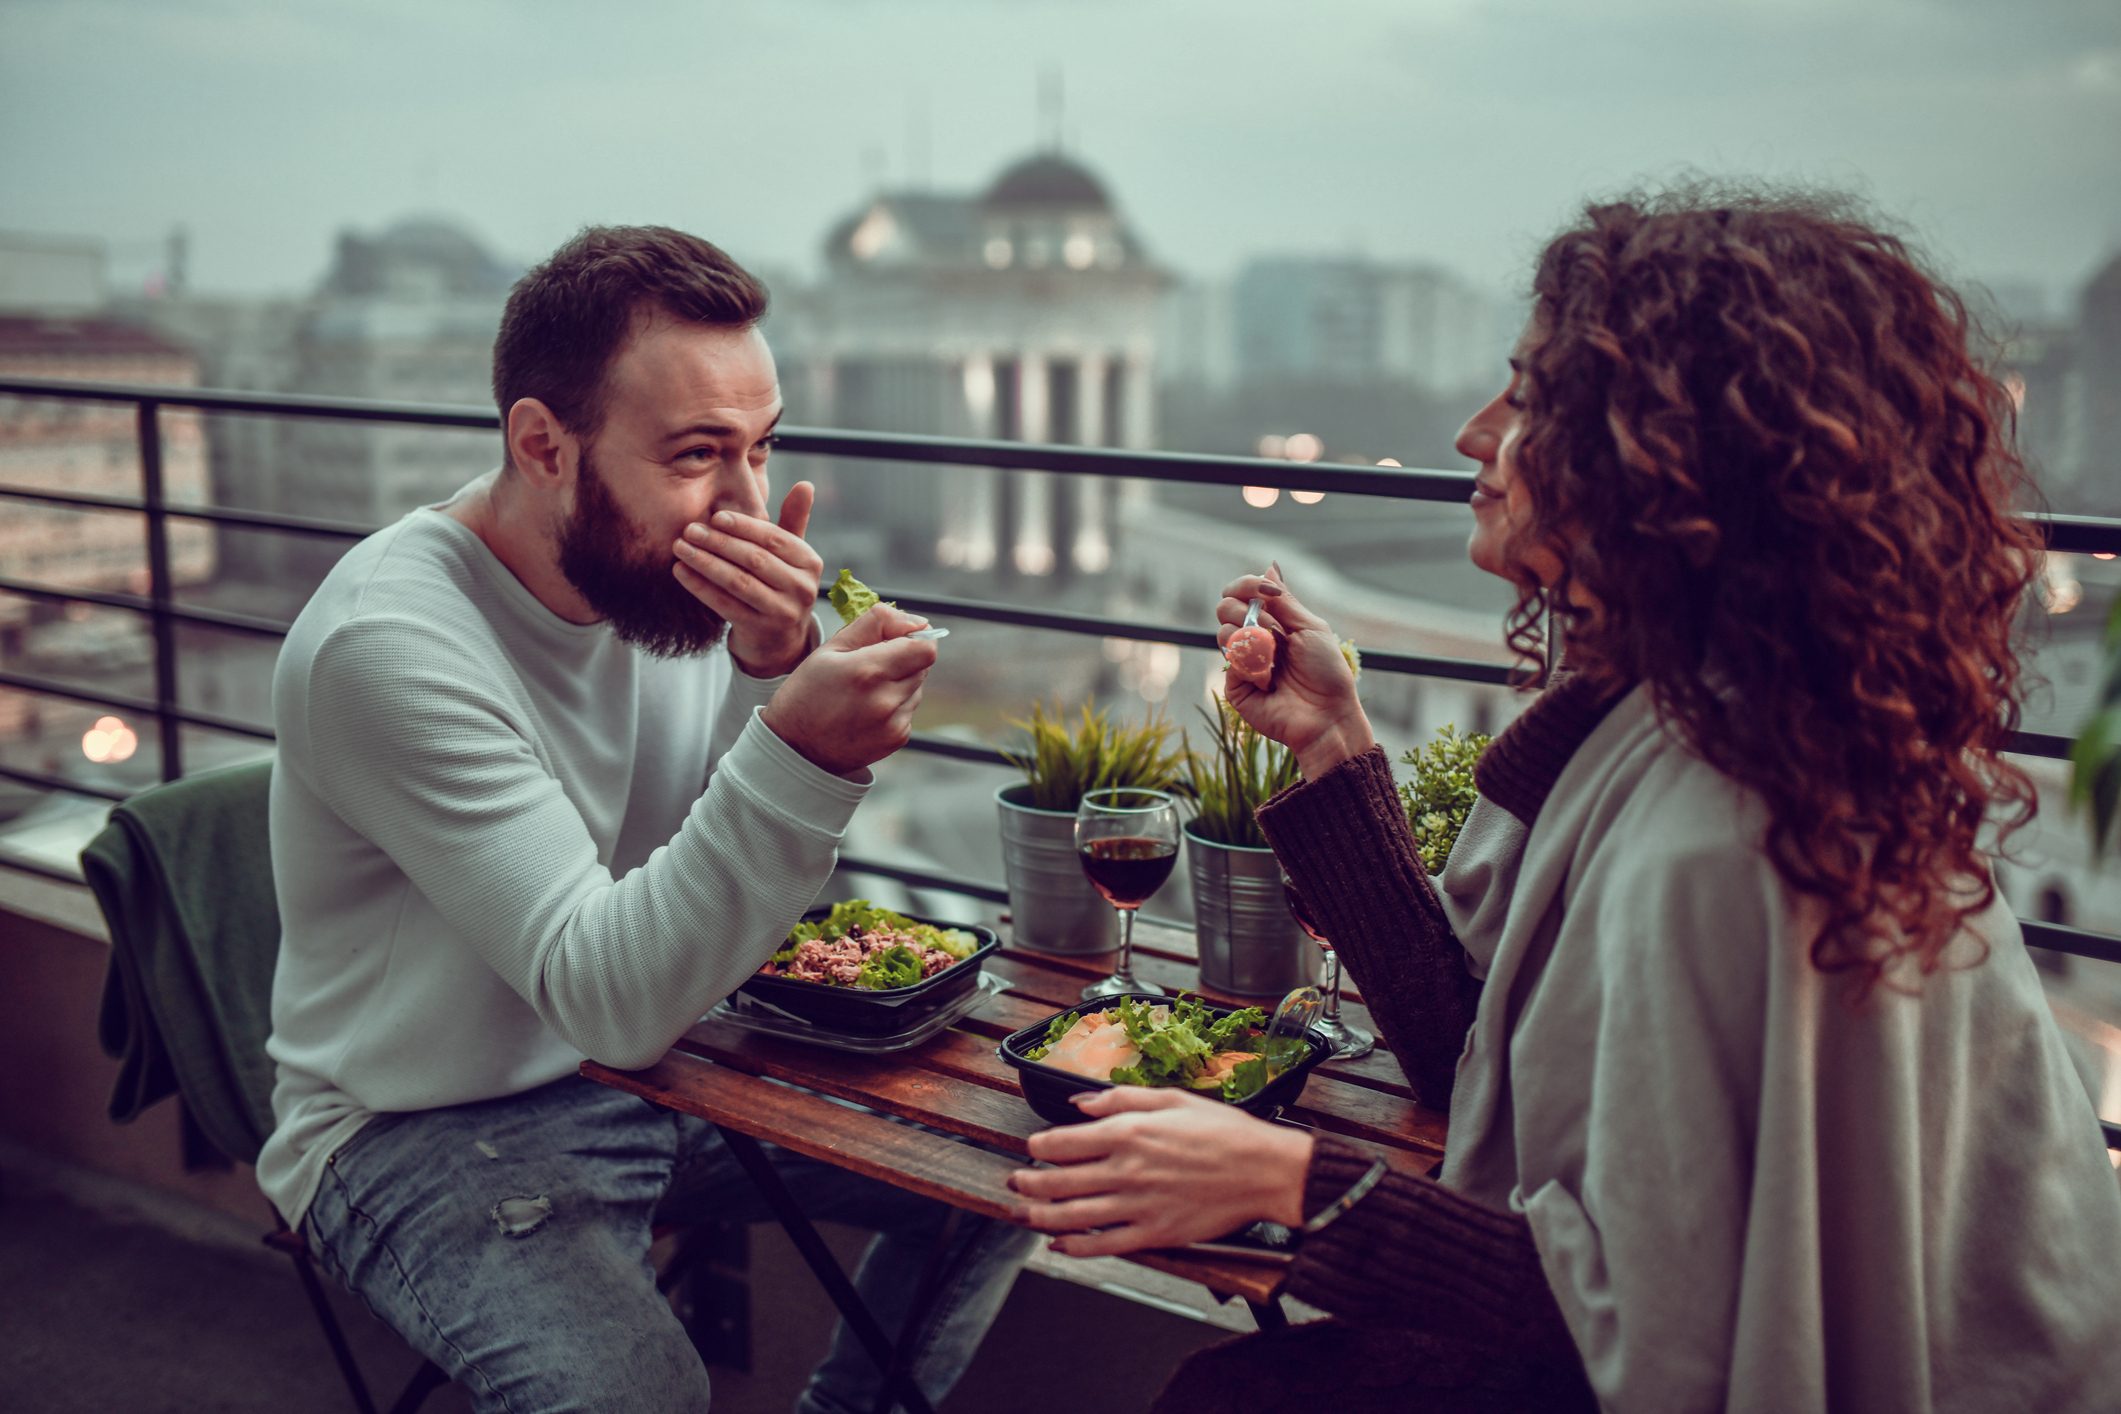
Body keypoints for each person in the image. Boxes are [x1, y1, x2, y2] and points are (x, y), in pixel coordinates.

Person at [1009, 189, 2121, 1412]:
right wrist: (1334, 742)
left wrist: (1293, 1181)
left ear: (1666, 457)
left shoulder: (1728, 830)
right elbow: (1471, 1046)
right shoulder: (1668, 715)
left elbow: (1664, 1336)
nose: (1471, 432)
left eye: (1528, 397)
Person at [261, 225, 1032, 1413]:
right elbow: (607, 991)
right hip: (416, 1122)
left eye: (761, 450)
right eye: (694, 455)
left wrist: (772, 664)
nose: (745, 508)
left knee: (1005, 1161)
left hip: (652, 1057)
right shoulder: (390, 647)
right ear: (542, 445)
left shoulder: (660, 582)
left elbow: (690, 888)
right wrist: (802, 747)